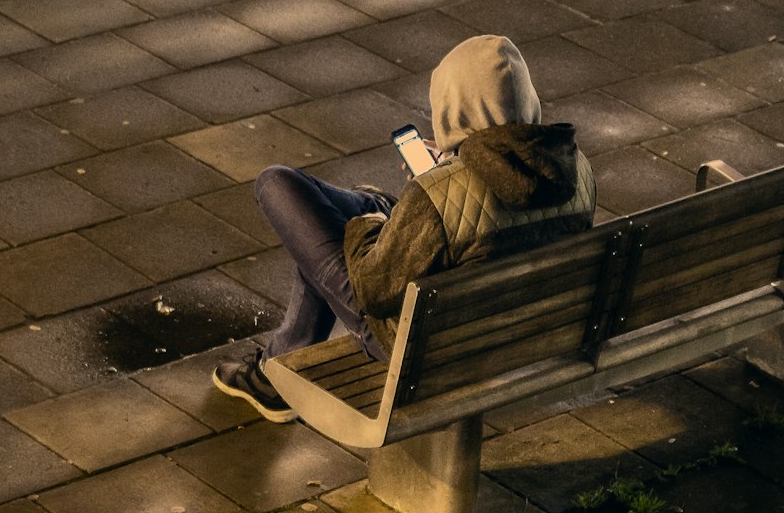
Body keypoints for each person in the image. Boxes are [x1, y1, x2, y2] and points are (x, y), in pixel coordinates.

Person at [213, 34, 597, 422]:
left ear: (454, 107)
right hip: (522, 335)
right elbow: (500, 217)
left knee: (277, 184)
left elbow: (375, 293)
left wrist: (371, 225)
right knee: (344, 219)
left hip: (424, 351)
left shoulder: (435, 196)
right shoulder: (577, 173)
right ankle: (276, 368)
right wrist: (453, 167)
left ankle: (273, 375)